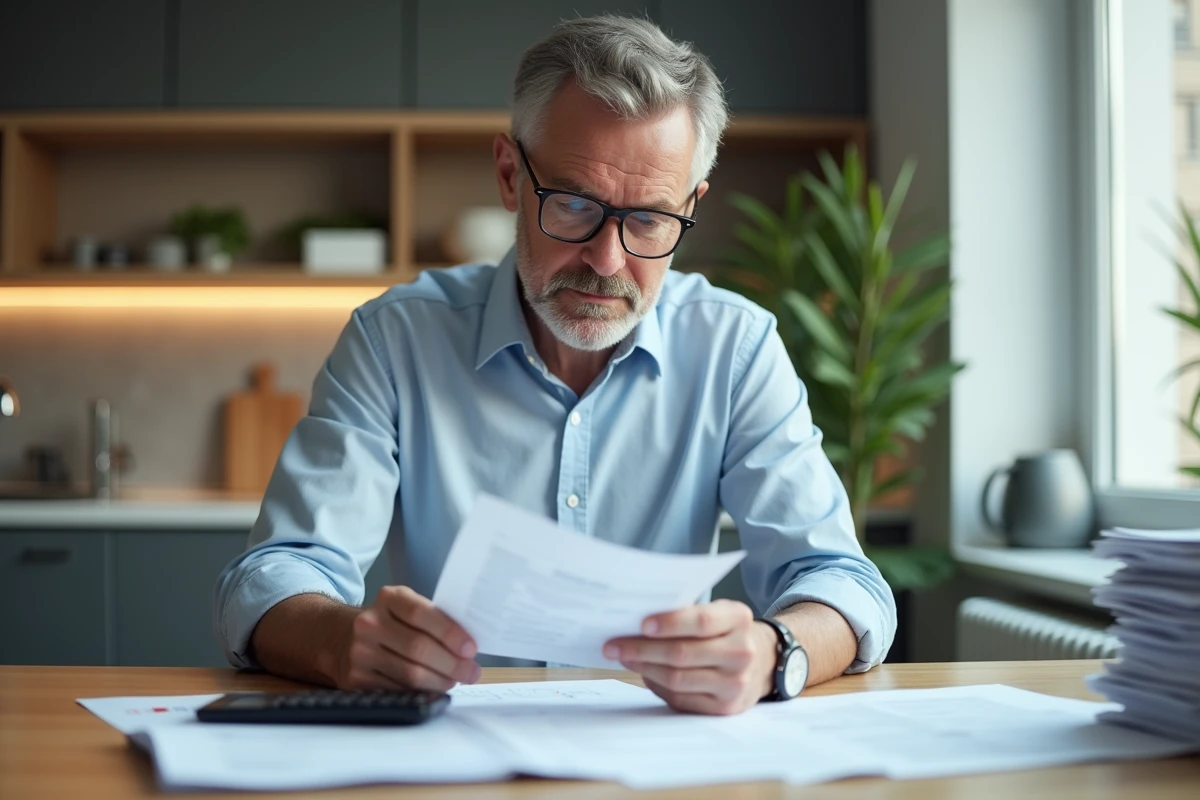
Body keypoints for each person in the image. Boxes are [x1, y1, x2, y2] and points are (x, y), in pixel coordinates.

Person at [215, 14, 895, 717]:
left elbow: (842, 582)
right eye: (573, 204)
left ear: (690, 208)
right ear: (511, 175)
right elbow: (274, 574)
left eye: (650, 221)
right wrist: (340, 640)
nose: (606, 262)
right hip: (451, 758)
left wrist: (773, 652)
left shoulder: (737, 350)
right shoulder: (396, 340)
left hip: (663, 759)